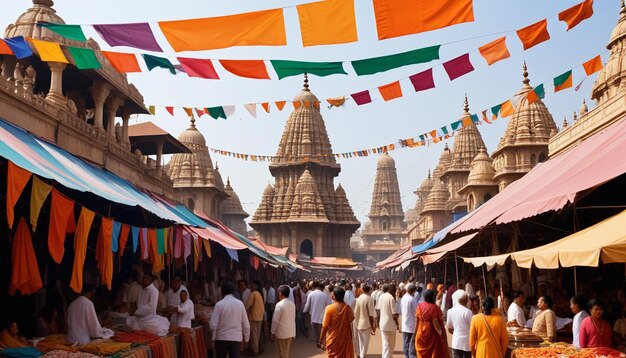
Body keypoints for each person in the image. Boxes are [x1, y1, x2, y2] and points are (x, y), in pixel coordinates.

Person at [210, 282, 250, 358]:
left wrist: (213, 339)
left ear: (222, 291)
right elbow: (245, 323)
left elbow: (213, 324)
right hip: (236, 338)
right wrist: (246, 339)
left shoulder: (219, 304)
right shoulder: (240, 304)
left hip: (221, 338)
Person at [319, 287, 355, 358]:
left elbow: (324, 326)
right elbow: (351, 320)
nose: (331, 295)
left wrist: (320, 340)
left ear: (334, 297)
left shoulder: (329, 308)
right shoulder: (348, 308)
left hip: (333, 340)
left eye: (332, 294)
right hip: (345, 339)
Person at [414, 289, 449, 357]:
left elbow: (417, 321)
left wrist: (415, 334)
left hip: (420, 333)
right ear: (433, 297)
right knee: (432, 353)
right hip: (431, 333)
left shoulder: (419, 306)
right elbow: (436, 322)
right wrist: (441, 334)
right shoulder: (434, 308)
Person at [303, 281, 331, 348]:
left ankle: (318, 342)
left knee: (315, 331)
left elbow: (307, 305)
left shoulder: (311, 294)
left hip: (313, 316)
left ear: (313, 286)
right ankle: (322, 343)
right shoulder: (325, 295)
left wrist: (304, 311)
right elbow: (329, 306)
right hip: (322, 316)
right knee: (322, 331)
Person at [270, 285, 296, 358]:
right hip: (290, 332)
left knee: (282, 354)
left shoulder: (279, 304)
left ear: (280, 293)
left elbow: (275, 320)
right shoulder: (292, 304)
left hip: (281, 333)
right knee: (285, 352)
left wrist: (272, 332)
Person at [446, 290, 472, 358]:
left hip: (456, 341)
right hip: (467, 342)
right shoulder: (468, 312)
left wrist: (458, 333)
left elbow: (450, 328)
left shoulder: (450, 311)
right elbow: (472, 327)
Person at [354, 285, 376, 358]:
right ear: (369, 290)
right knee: (365, 343)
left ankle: (360, 354)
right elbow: (371, 314)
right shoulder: (370, 299)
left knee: (360, 341)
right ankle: (362, 355)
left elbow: (356, 312)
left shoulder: (358, 299)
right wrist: (373, 326)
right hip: (367, 324)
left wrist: (356, 323)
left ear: (363, 290)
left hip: (359, 323)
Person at [378, 284, 399, 358]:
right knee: (391, 344)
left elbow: (378, 310)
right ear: (392, 290)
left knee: (385, 344)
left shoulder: (381, 296)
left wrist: (378, 321)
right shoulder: (391, 298)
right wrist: (397, 324)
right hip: (391, 325)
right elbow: (394, 314)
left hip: (383, 323)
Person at [245, 280, 265, 356]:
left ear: (255, 286)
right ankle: (256, 349)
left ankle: (255, 350)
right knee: (257, 335)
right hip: (259, 317)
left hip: (253, 317)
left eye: (252, 285)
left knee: (254, 336)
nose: (250, 286)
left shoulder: (253, 294)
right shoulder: (259, 294)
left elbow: (248, 305)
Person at [400, 283, 418, 358]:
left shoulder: (404, 297)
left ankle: (406, 355)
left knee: (406, 342)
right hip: (411, 324)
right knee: (411, 343)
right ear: (413, 291)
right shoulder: (412, 299)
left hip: (405, 323)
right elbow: (416, 312)